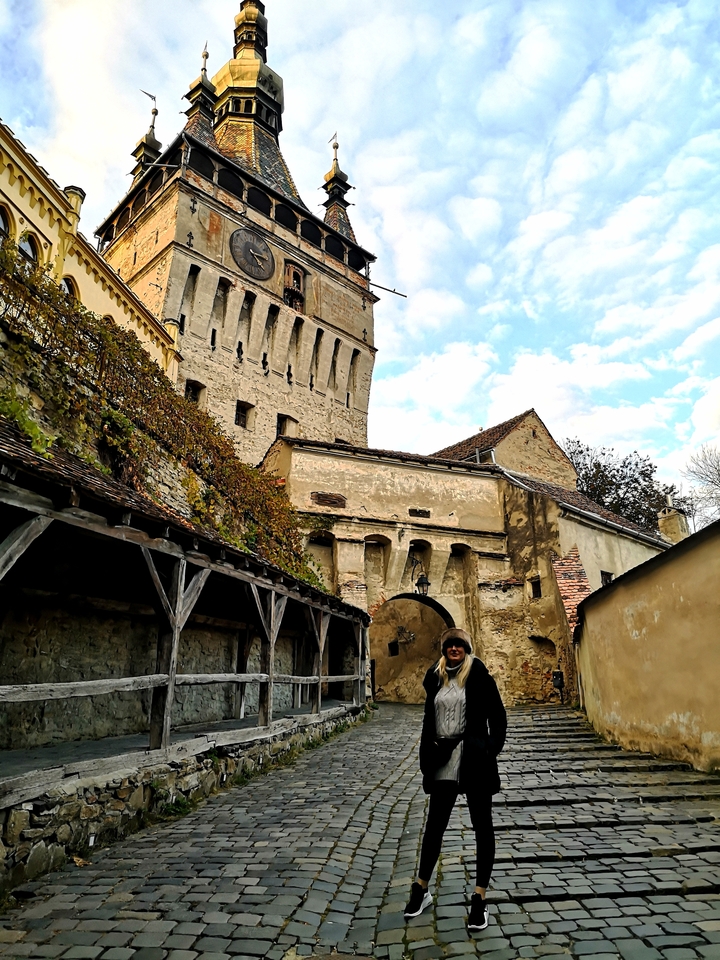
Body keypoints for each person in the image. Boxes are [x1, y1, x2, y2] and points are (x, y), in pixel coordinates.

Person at [404, 627, 507, 932]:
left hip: (474, 760)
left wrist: (490, 748)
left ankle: (479, 898)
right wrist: (426, 751)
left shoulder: (479, 675)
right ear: (444, 649)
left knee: (482, 826)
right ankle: (421, 889)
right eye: (450, 644)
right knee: (435, 825)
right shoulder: (434, 677)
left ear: (467, 648)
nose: (454, 649)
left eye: (459, 644)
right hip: (443, 759)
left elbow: (498, 716)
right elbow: (427, 719)